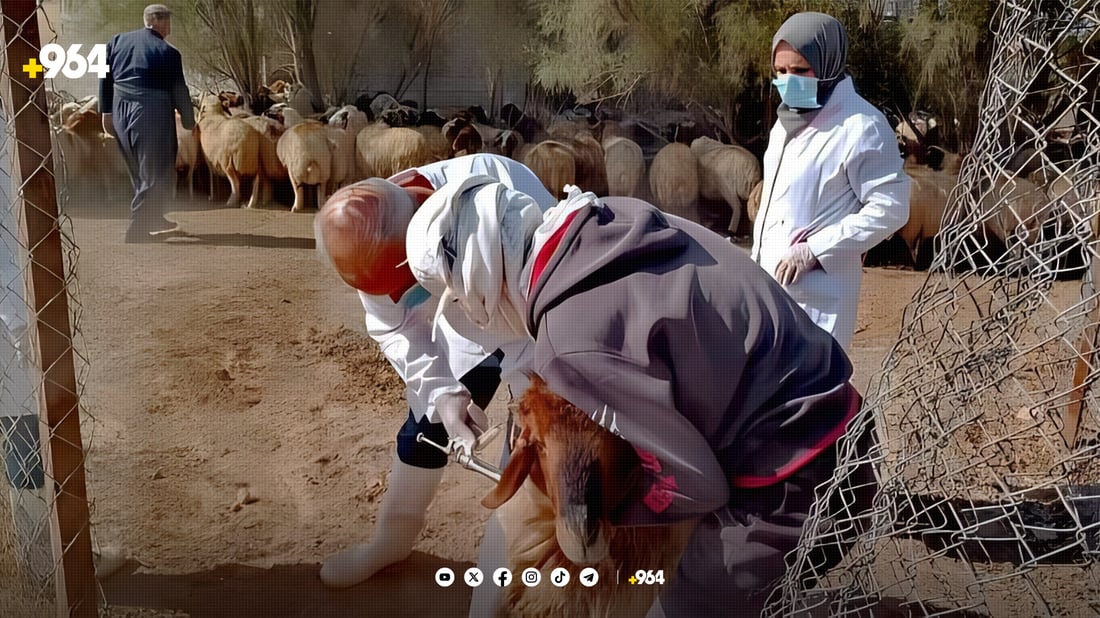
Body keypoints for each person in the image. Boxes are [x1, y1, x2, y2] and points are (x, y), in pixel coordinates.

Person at [403, 176, 876, 617]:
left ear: (479, 281)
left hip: (801, 475)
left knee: (675, 606)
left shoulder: (569, 340)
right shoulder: (606, 218)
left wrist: (609, 514)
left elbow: (701, 484)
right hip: (839, 418)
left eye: (460, 300)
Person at [313, 154, 556, 592]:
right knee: (427, 426)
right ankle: (391, 540)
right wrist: (443, 392)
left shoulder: (506, 191)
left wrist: (528, 409)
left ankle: (501, 571)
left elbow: (540, 315)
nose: (394, 298)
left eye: (403, 289)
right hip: (459, 321)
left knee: (533, 444)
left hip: (526, 315)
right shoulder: (366, 226)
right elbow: (394, 326)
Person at [750, 12, 910, 351]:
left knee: (812, 396)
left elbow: (892, 208)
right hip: (769, 293)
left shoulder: (861, 126)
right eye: (780, 72)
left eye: (800, 71)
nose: (788, 81)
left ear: (827, 64)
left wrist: (815, 249)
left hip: (817, 301)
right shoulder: (784, 125)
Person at [98, 4, 195, 243]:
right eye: (168, 22)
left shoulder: (115, 42)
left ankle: (153, 217)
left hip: (121, 110)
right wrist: (189, 119)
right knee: (157, 171)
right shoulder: (168, 52)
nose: (170, 27)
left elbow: (103, 72)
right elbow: (179, 90)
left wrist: (106, 111)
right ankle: (138, 229)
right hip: (151, 113)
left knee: (139, 170)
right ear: (160, 22)